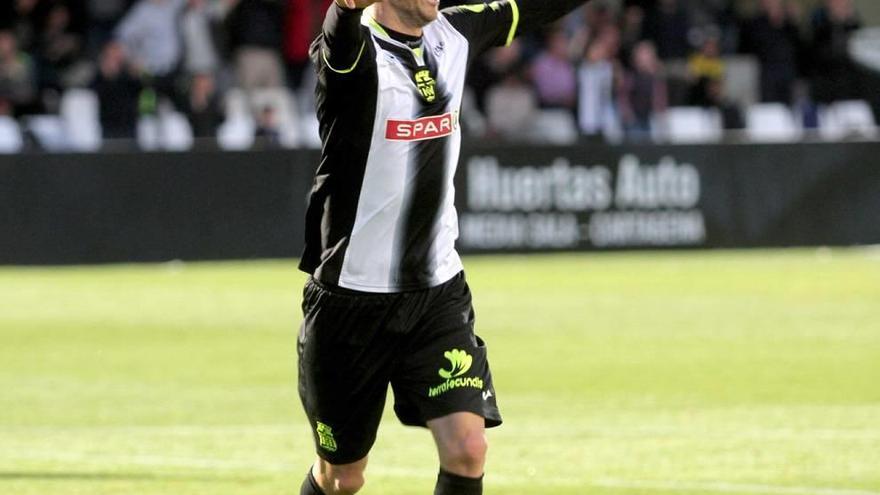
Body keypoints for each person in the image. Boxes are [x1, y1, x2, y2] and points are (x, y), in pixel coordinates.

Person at [297, 1, 593, 494]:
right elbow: (338, 41)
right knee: (342, 478)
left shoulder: (453, 34)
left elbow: (530, 6)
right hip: (350, 304)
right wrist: (344, 10)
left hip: (437, 293)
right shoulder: (353, 52)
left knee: (468, 448)